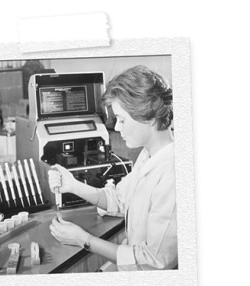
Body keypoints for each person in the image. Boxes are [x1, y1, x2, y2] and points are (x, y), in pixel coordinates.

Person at [48, 65, 177, 271]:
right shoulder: (148, 155)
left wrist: (84, 239)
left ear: (150, 117)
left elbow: (154, 261)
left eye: (122, 119)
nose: (116, 127)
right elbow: (118, 198)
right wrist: (72, 185)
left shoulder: (173, 174)